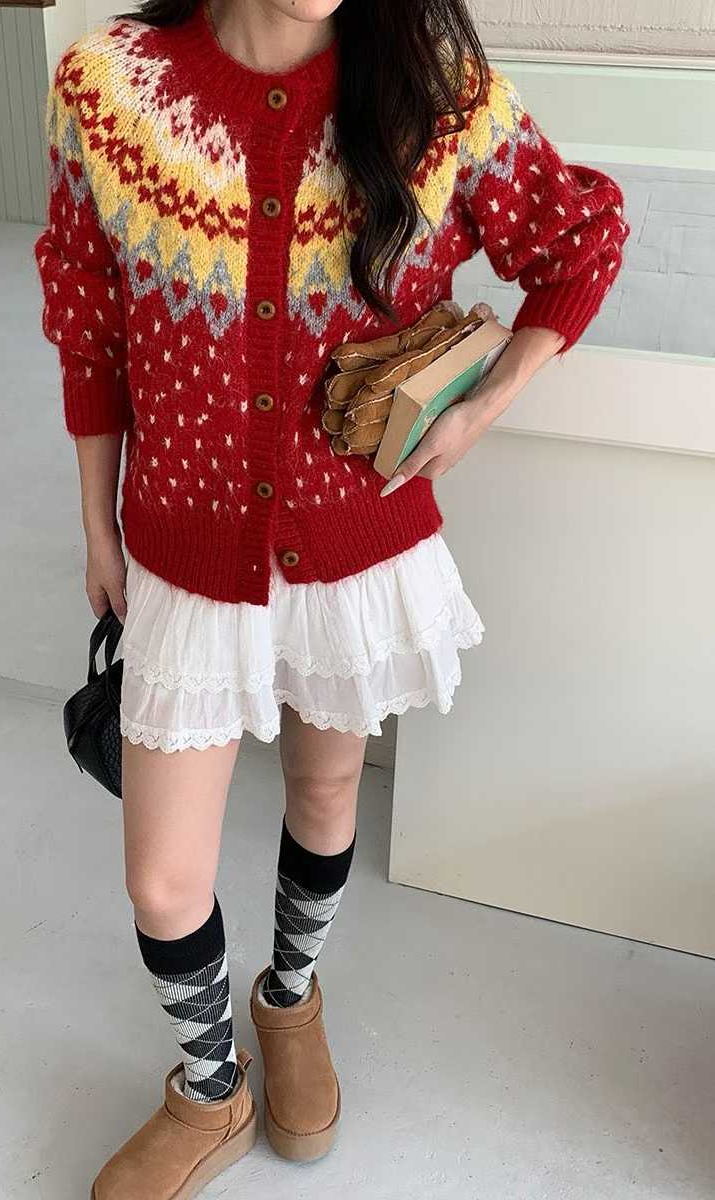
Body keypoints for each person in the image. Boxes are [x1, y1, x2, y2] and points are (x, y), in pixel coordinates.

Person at [33, 1, 628, 1195]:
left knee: (324, 789)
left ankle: (291, 998)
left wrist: (483, 406)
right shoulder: (109, 86)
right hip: (185, 545)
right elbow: (88, 315)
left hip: (353, 545)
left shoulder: (428, 86)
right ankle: (211, 1087)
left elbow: (580, 239)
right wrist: (97, 520)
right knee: (162, 877)